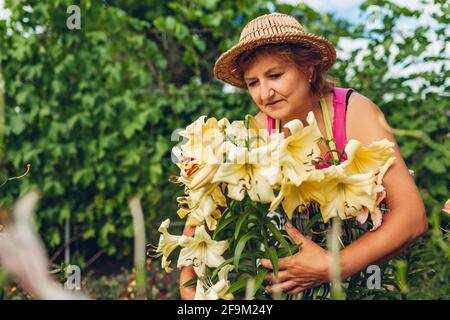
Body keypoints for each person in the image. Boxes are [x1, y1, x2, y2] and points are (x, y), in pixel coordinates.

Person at [179, 12, 428, 299]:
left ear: (309, 69)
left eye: (275, 75)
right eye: (253, 83)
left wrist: (333, 266)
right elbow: (201, 216)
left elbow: (412, 217)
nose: (265, 93)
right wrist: (190, 292)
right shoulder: (254, 131)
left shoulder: (353, 112)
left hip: (366, 279)